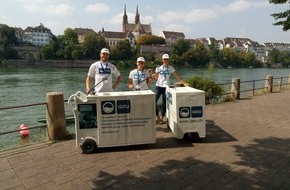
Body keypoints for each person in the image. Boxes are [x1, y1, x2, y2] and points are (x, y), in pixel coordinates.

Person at [151, 53, 189, 124]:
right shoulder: (158, 68)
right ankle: (157, 116)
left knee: (165, 102)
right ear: (162, 60)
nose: (166, 61)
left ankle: (162, 117)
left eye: (167, 59)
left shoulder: (171, 68)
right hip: (158, 86)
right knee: (153, 100)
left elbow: (177, 76)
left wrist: (184, 83)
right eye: (164, 59)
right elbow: (157, 78)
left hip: (166, 87)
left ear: (169, 60)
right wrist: (153, 76)